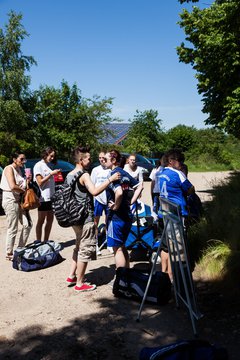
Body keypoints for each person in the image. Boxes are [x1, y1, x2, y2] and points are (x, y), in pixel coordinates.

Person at [66, 146, 120, 293]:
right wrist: (110, 179)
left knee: (78, 245)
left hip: (73, 216)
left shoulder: (70, 174)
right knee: (85, 248)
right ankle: (80, 282)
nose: (91, 161)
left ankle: (71, 275)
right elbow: (95, 191)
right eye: (89, 158)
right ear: (81, 160)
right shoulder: (84, 175)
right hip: (84, 217)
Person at [159, 149, 195, 280]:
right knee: (179, 248)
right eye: (179, 160)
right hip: (177, 215)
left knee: (165, 246)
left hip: (163, 214)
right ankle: (180, 278)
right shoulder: (178, 174)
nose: (181, 163)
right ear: (171, 161)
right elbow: (190, 189)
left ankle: (165, 275)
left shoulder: (161, 173)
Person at [105, 150, 143, 269]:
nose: (103, 162)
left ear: (113, 161)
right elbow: (140, 186)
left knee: (117, 249)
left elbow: (119, 192)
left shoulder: (114, 174)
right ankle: (127, 274)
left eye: (105, 159)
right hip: (127, 215)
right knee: (122, 246)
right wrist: (131, 201)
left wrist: (115, 206)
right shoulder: (124, 173)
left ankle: (121, 278)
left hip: (116, 217)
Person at [0, 152, 32, 260]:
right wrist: (23, 189)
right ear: (14, 159)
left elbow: (24, 186)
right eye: (21, 159)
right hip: (10, 199)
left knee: (28, 224)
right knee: (13, 227)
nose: (24, 161)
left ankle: (20, 248)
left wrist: (27, 180)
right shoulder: (9, 169)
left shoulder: (20, 170)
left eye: (24, 159)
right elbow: (13, 186)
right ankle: (9, 253)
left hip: (19, 200)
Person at [33, 147, 60, 242]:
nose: (52, 158)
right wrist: (51, 174)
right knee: (41, 220)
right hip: (43, 198)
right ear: (45, 154)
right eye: (51, 156)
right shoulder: (38, 165)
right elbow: (39, 182)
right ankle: (39, 241)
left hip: (51, 197)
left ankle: (46, 241)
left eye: (53, 156)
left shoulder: (47, 165)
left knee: (50, 220)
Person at [90, 151, 112, 255]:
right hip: (98, 199)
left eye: (103, 158)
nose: (101, 159)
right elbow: (92, 185)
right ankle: (96, 244)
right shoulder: (95, 170)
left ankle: (110, 243)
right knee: (95, 222)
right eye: (99, 158)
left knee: (109, 221)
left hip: (108, 200)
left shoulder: (109, 170)